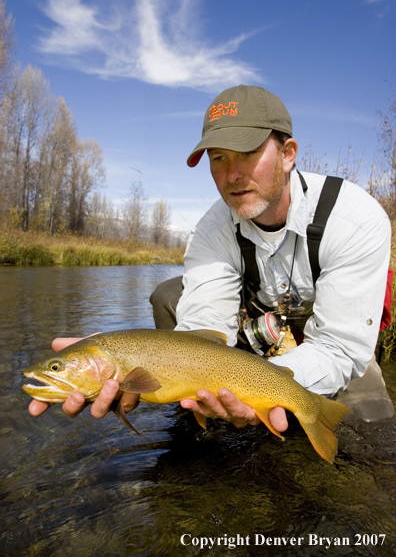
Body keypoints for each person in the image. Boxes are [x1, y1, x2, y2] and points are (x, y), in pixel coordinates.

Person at [29, 85, 394, 430]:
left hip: (334, 337)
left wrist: (274, 385)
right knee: (170, 295)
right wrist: (124, 358)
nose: (232, 175)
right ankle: (204, 416)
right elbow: (204, 324)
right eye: (218, 158)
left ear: (287, 154)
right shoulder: (211, 229)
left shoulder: (353, 218)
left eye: (247, 153)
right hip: (258, 336)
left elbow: (339, 348)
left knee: (368, 427)